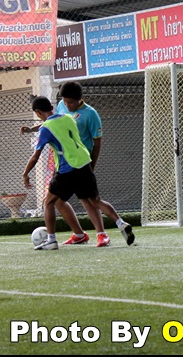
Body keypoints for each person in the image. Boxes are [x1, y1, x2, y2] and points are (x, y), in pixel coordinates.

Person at [22, 96, 110, 250]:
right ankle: (84, 234)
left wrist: (25, 174)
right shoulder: (67, 117)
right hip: (81, 163)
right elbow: (52, 123)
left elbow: (36, 156)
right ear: (52, 107)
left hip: (66, 169)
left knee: (49, 202)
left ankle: (51, 239)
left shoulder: (46, 128)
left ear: (37, 112)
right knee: (70, 200)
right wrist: (32, 129)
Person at [55, 81, 135, 246]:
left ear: (79, 99)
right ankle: (100, 231)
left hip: (81, 163)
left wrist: (92, 165)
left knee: (88, 199)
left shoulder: (90, 114)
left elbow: (97, 142)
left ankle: (98, 233)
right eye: (65, 101)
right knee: (84, 199)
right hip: (65, 162)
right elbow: (53, 124)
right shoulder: (61, 106)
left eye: (71, 102)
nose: (67, 105)